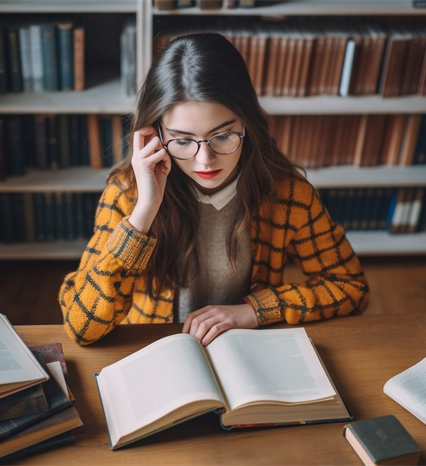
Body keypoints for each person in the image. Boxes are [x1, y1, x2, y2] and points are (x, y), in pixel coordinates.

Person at [59, 32, 369, 346]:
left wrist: (254, 310)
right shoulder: (127, 195)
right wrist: (144, 211)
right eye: (182, 141)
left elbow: (351, 287)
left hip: (245, 347)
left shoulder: (288, 195)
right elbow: (81, 327)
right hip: (159, 353)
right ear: (155, 136)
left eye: (223, 136)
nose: (204, 160)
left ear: (247, 124)